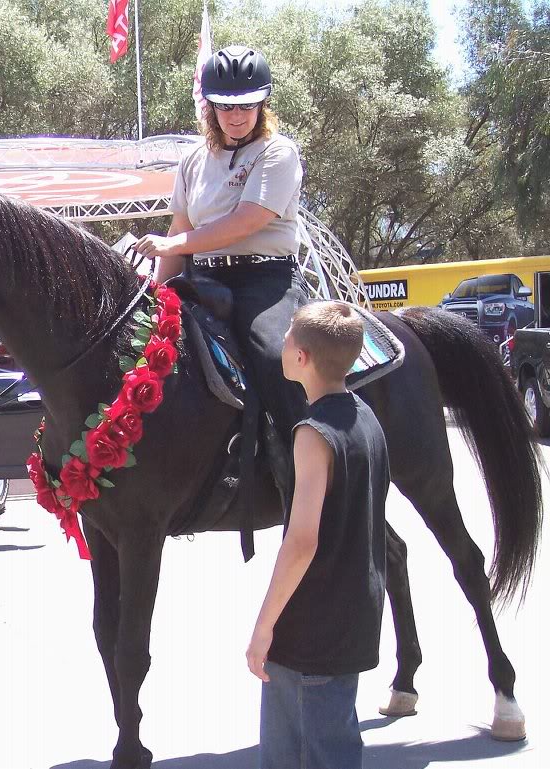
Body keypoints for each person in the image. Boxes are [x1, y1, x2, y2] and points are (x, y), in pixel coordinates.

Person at [135, 44, 309, 443]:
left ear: (263, 103)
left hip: (263, 281)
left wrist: (174, 243)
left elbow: (245, 222)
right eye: (226, 106)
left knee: (273, 355)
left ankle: (300, 461)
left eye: (247, 106)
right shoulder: (193, 159)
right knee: (147, 347)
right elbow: (181, 223)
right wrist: (156, 296)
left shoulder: (277, 152)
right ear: (210, 106)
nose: (236, 116)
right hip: (201, 278)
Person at [246, 301, 389, 769]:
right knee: (334, 745)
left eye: (288, 335)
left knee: (305, 755)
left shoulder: (313, 433)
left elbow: (302, 540)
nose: (282, 341)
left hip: (310, 628)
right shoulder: (366, 418)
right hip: (353, 613)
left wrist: (264, 626)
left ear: (302, 357)